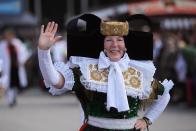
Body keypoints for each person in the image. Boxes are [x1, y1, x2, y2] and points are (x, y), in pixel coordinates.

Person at [38, 14, 174, 131]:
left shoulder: (138, 74)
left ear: (126, 46)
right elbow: (54, 81)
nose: (114, 45)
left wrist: (146, 120)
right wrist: (43, 51)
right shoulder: (87, 71)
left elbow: (164, 96)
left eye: (119, 40)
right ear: (102, 45)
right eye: (109, 40)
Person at [0, 29, 30, 107]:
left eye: (10, 36)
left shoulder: (17, 43)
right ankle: (10, 100)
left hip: (16, 67)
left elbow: (25, 53)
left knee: (15, 83)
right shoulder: (2, 45)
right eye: (7, 36)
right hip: (7, 68)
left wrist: (21, 61)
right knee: (9, 84)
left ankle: (13, 97)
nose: (8, 38)